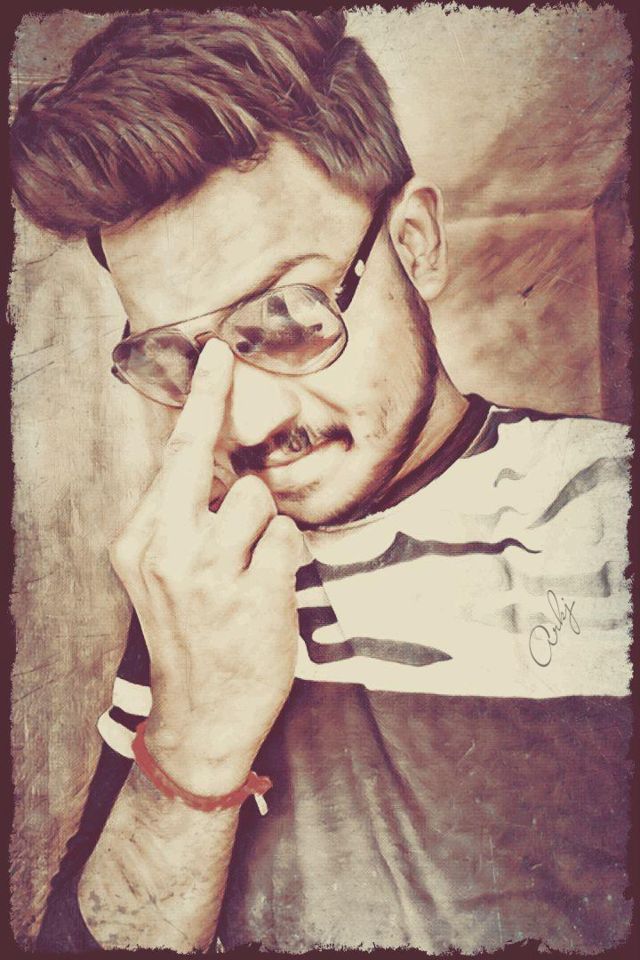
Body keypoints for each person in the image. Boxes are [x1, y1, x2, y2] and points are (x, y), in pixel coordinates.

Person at [11, 9, 631, 954]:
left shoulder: (610, 512)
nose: (247, 422)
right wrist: (195, 736)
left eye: (292, 316)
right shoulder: (204, 574)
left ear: (415, 242)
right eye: (180, 359)